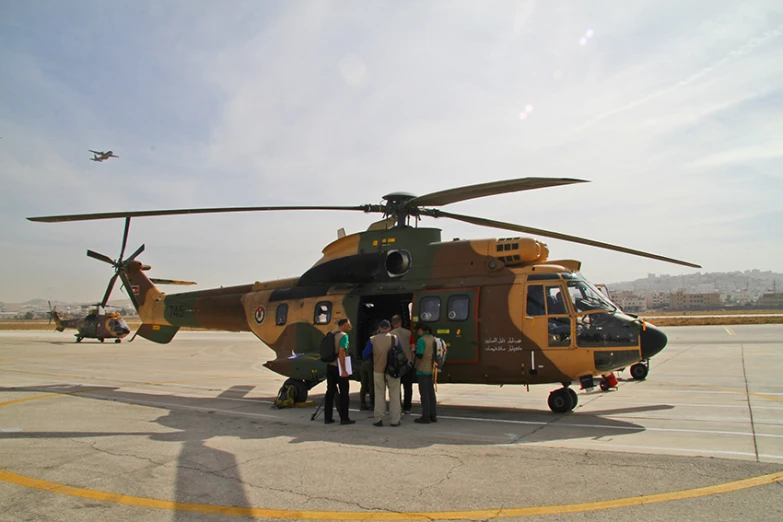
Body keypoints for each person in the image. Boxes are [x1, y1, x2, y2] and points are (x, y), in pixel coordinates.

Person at [362, 319, 402, 427]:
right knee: (394, 395)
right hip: (393, 371)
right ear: (389, 328)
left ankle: (378, 419)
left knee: (379, 394)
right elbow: (401, 353)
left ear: (379, 328)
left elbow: (365, 355)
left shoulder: (373, 339)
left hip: (378, 370)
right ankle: (395, 420)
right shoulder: (395, 339)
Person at [324, 318, 355, 425]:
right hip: (339, 367)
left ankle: (327, 418)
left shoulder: (331, 333)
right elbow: (341, 353)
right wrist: (344, 370)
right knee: (344, 393)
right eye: (349, 325)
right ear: (345, 325)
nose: (349, 327)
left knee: (330, 392)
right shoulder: (344, 336)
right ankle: (344, 418)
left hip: (330, 366)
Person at [413, 322, 437, 424]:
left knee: (424, 394)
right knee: (431, 393)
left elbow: (420, 355)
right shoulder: (433, 339)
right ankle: (433, 415)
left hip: (422, 369)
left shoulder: (421, 341)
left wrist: (413, 350)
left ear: (420, 330)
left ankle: (425, 416)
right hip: (431, 369)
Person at [390, 314, 414, 414]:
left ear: (392, 323)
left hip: (396, 365)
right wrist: (412, 361)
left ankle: (397, 406)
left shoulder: (390, 334)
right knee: (408, 387)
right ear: (400, 323)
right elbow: (413, 348)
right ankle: (407, 407)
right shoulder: (409, 333)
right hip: (408, 363)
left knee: (396, 387)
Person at [359, 324, 378, 410]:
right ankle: (372, 404)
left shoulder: (369, 340)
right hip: (370, 364)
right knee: (371, 384)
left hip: (364, 364)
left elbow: (364, 354)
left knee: (364, 384)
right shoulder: (375, 340)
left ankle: (362, 403)